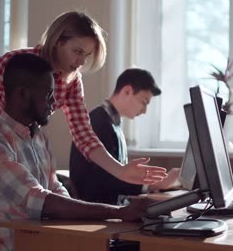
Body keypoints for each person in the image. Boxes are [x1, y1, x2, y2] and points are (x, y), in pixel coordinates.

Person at [0, 10, 167, 191]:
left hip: (23, 149)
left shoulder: (72, 81)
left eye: (86, 55)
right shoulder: (12, 64)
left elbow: (83, 133)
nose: (81, 62)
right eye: (77, 51)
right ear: (58, 41)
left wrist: (120, 171)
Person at [0, 54, 155, 251]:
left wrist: (112, 215)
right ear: (22, 94)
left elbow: (56, 190)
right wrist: (119, 212)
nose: (54, 101)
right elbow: (42, 201)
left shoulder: (38, 137)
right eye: (48, 93)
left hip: (57, 241)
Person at [70, 68, 181, 205]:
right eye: (144, 101)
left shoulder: (112, 123)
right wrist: (153, 185)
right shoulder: (99, 123)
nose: (144, 111)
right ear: (127, 91)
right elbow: (105, 181)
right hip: (97, 209)